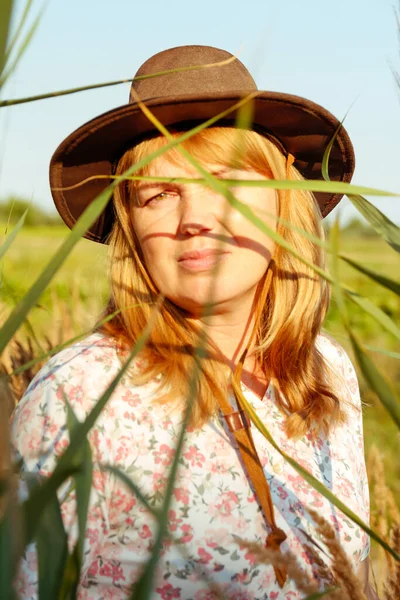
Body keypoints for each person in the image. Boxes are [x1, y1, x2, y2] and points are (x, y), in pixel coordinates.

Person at [11, 45, 377, 599]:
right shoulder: (81, 394)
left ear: (285, 204)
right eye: (159, 195)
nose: (195, 220)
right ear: (130, 228)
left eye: (229, 184)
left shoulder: (330, 371)